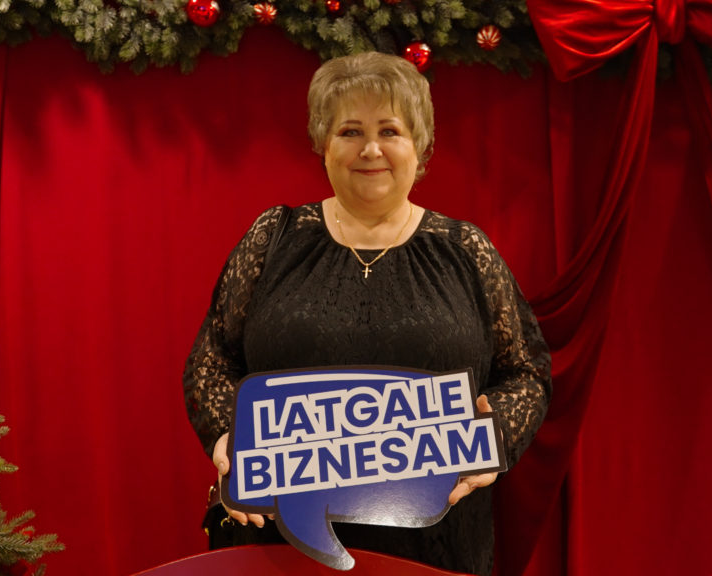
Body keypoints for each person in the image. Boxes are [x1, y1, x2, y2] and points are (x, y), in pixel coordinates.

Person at [183, 51, 551, 576]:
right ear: (324, 145)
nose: (371, 149)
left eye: (389, 131)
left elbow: (527, 373)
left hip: (435, 546)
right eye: (350, 131)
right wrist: (228, 437)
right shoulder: (273, 239)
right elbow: (212, 360)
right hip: (280, 544)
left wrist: (492, 437)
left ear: (419, 145)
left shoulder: (465, 250)